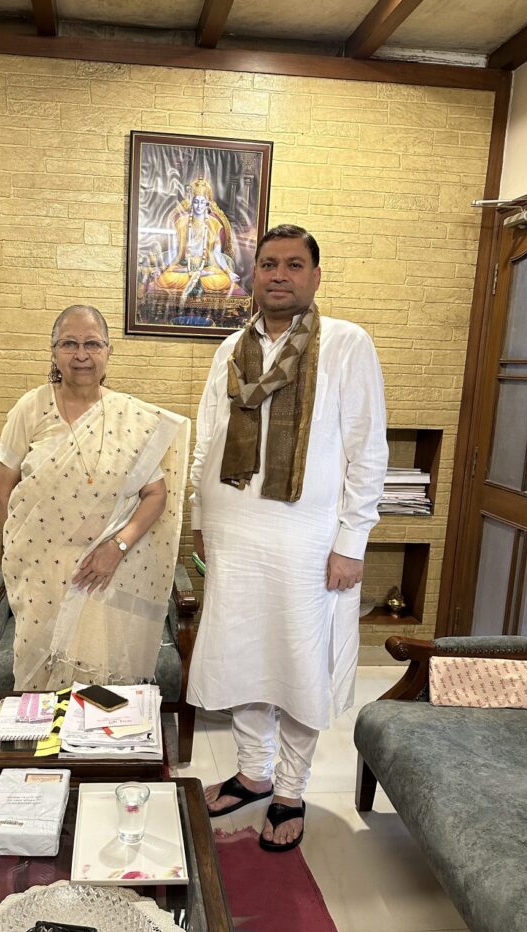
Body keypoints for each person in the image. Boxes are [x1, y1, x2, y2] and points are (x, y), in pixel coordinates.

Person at [189, 224, 388, 851]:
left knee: (299, 663)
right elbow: (208, 436)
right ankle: (253, 773)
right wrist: (199, 513)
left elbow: (368, 450)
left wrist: (352, 541)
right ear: (254, 276)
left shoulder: (347, 344)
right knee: (241, 657)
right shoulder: (231, 348)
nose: (279, 275)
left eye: (294, 265)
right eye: (268, 264)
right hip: (234, 535)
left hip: (308, 541)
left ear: (315, 276)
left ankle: (291, 789)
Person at [0, 304, 189, 692]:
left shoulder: (130, 416)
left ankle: (96, 752)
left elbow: (156, 494)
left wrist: (116, 546)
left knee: (99, 694)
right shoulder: (29, 409)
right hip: (41, 576)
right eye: (69, 343)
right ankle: (42, 750)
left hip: (107, 574)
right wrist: (25, 551)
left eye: (92, 344)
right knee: (40, 684)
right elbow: (3, 489)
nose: (81, 355)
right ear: (53, 351)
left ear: (108, 351)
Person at [153, 178, 240, 301]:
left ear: (207, 203)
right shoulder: (181, 222)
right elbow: (174, 251)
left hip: (206, 268)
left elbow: (217, 253)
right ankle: (193, 277)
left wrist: (228, 272)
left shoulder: (214, 224)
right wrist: (161, 268)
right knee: (165, 279)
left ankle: (197, 278)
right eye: (196, 202)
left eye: (202, 202)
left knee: (222, 280)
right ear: (191, 202)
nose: (199, 206)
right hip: (184, 267)